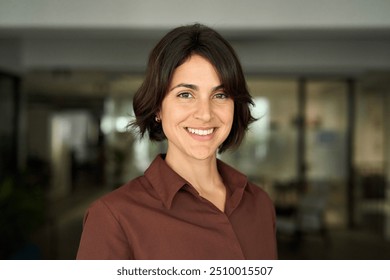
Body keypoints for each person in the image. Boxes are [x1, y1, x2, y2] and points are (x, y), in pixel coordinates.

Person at [77, 23, 277, 260]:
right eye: (185, 94)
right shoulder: (113, 218)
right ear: (158, 108)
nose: (205, 114)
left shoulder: (259, 205)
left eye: (220, 95)